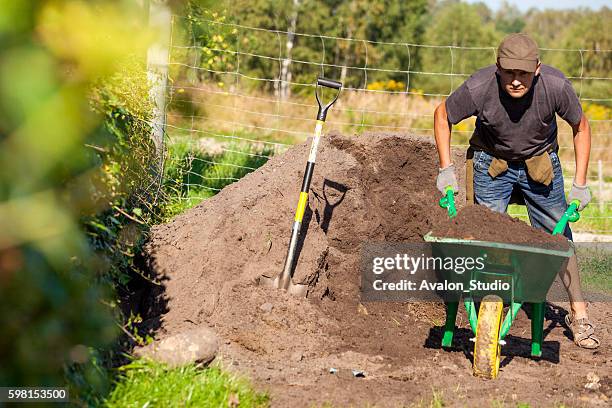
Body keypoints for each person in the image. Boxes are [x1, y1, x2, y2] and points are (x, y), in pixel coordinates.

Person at [433, 33, 599, 349]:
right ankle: (491, 300)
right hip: (492, 163)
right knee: (486, 236)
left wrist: (580, 184)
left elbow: (582, 127)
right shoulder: (480, 86)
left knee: (558, 238)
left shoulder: (555, 86)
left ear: (537, 69)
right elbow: (443, 115)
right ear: (498, 67)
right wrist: (445, 170)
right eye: (509, 72)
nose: (516, 81)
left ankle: (579, 314)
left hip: (540, 164)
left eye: (523, 73)